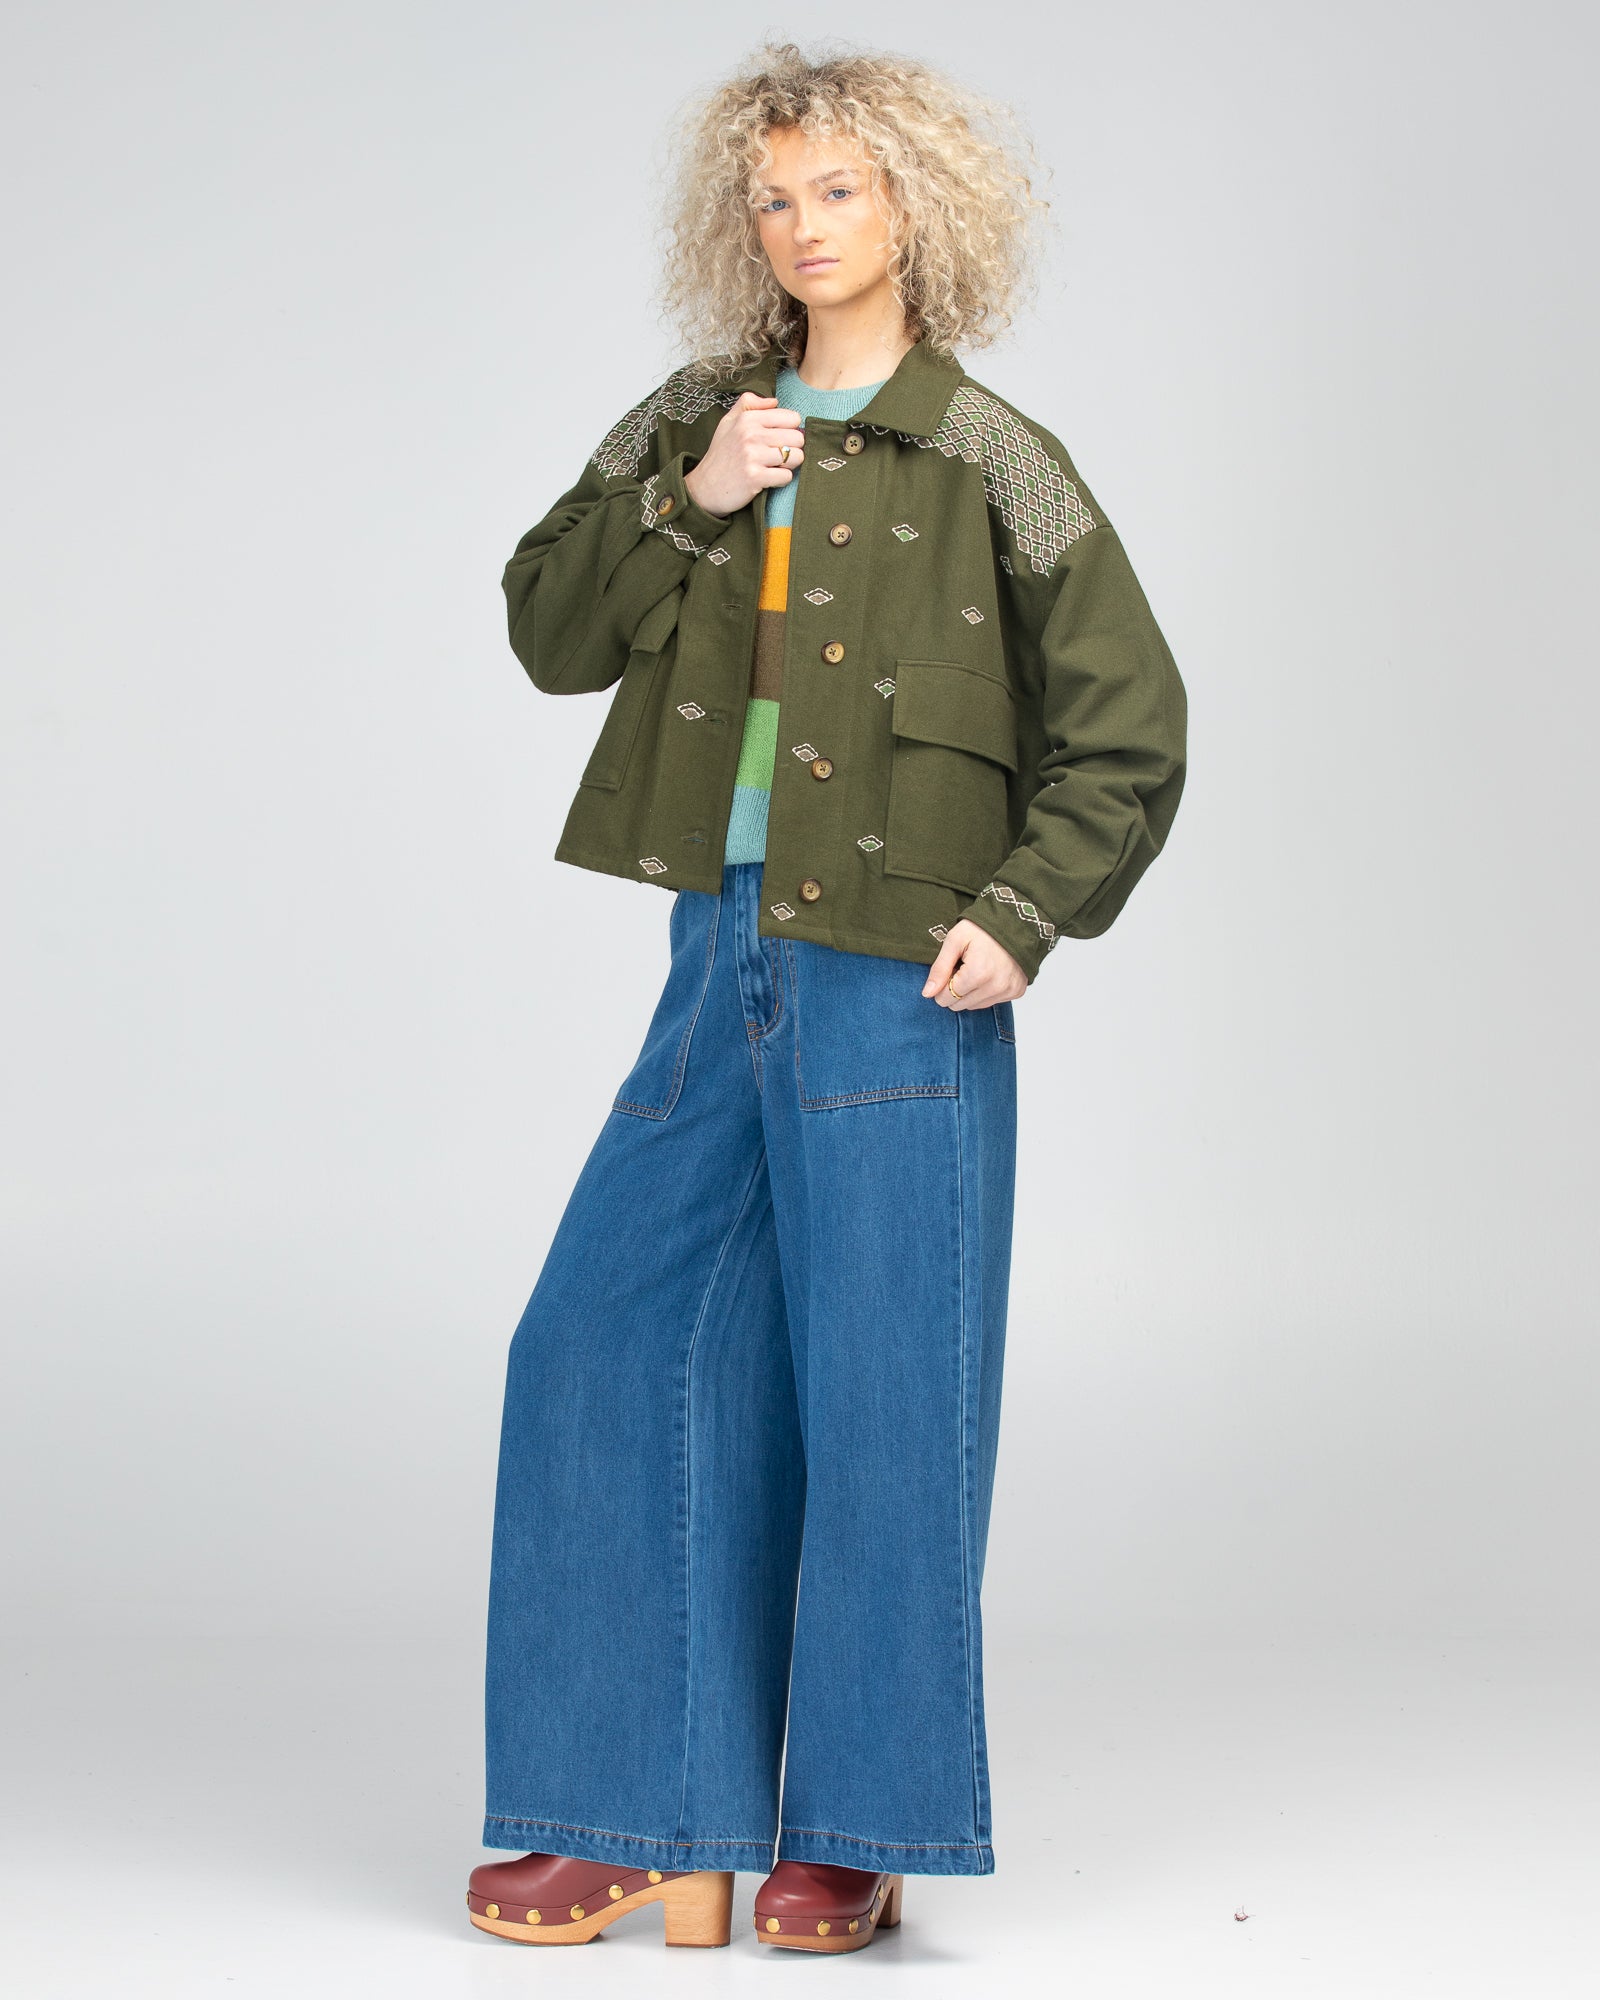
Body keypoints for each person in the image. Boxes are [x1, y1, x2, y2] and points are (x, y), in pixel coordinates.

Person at [467, 40, 1187, 1955]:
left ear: (916, 206)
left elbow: (1132, 728)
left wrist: (1024, 913)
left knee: (886, 1397)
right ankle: (634, 1812)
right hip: (722, 955)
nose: (803, 226)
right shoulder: (697, 415)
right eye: (773, 197)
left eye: (839, 189)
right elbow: (547, 625)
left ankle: (852, 1829)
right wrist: (692, 496)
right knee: (603, 1345)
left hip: (898, 980)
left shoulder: (995, 456)